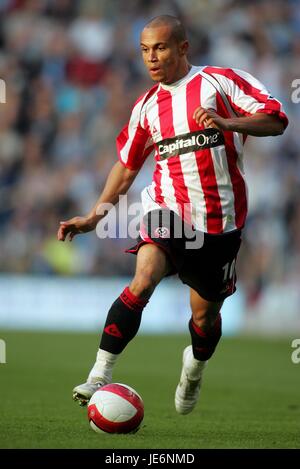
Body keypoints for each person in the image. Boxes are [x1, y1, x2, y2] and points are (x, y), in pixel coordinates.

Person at [57, 15, 288, 415]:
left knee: (204, 316)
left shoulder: (220, 82)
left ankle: (194, 369)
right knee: (143, 280)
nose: (151, 58)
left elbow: (276, 119)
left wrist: (228, 122)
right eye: (145, 50)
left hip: (220, 224)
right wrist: (95, 216)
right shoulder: (146, 106)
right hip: (167, 209)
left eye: (160, 48)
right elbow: (127, 167)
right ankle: (99, 374)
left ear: (183, 48)